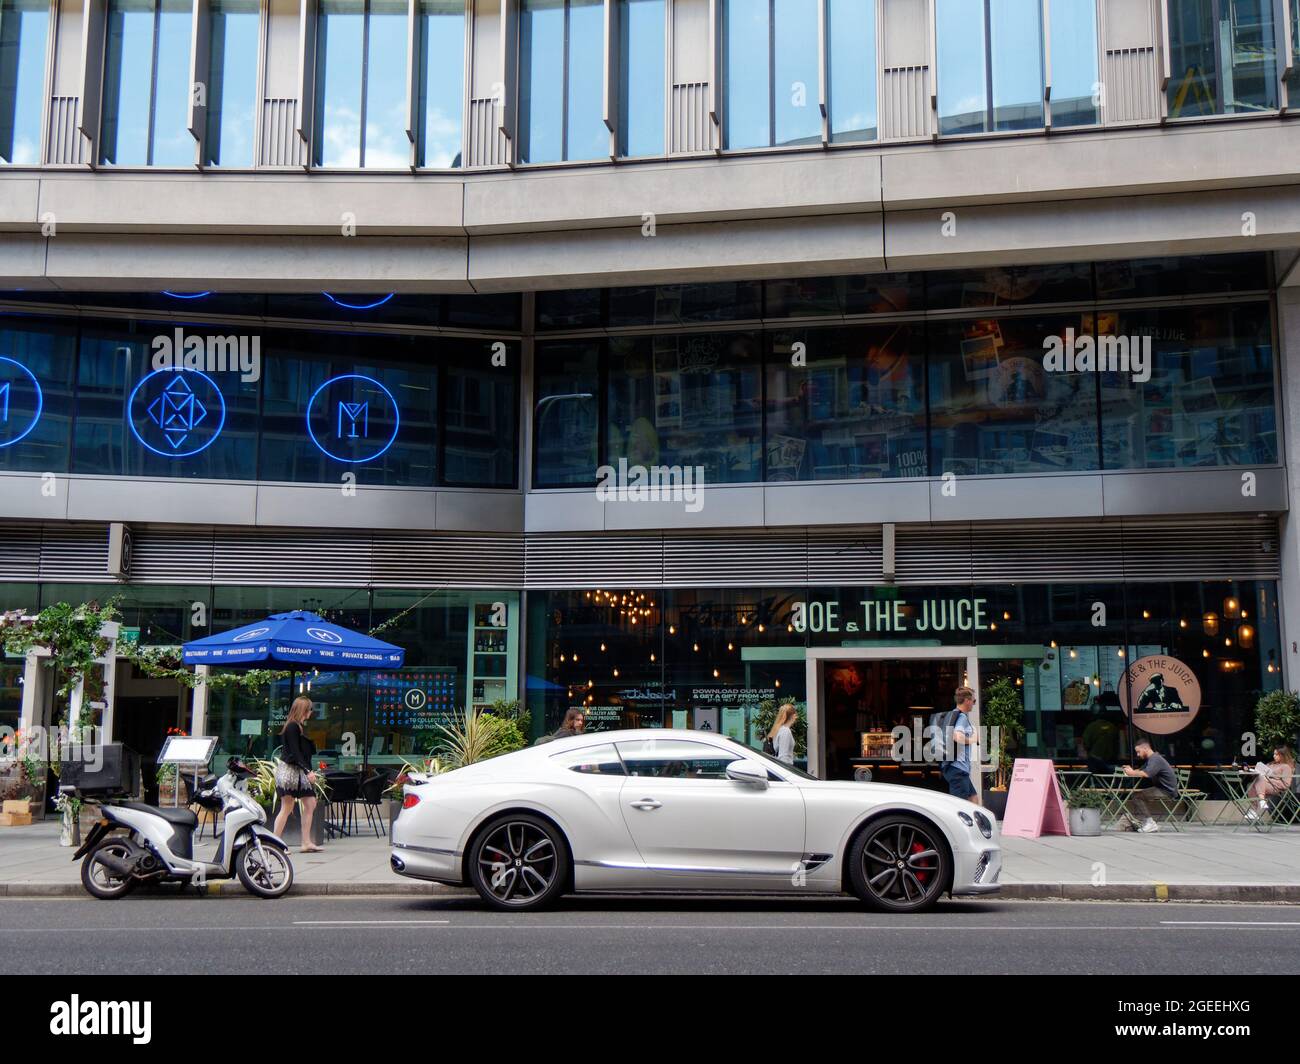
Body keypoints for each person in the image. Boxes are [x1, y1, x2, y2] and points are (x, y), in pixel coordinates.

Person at [273, 697, 322, 853]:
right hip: (290, 772)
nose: (311, 712)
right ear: (304, 710)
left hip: (297, 771)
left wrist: (306, 770)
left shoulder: (297, 726)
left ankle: (306, 842)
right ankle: (275, 843)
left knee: (310, 803)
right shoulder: (293, 727)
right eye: (310, 709)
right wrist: (308, 771)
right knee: (287, 806)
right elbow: (295, 752)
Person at [1120, 738, 1179, 833]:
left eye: (1138, 752)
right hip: (1161, 788)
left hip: (1167, 791)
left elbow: (1147, 774)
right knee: (1138, 795)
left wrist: (1131, 773)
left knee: (1137, 796)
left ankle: (1150, 823)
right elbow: (1141, 771)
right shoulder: (1152, 759)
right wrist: (1131, 771)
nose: (1138, 755)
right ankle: (1148, 821)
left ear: (1145, 748)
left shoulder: (1155, 759)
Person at [940, 687, 980, 806]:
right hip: (958, 769)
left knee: (973, 797)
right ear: (967, 700)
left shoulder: (952, 714)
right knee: (960, 806)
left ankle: (976, 824)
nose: (974, 703)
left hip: (956, 768)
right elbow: (957, 736)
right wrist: (973, 739)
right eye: (974, 701)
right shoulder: (961, 717)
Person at [1246, 746, 1295, 821]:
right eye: (1274, 754)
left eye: (1276, 754)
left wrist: (1268, 780)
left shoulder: (1286, 767)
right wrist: (1252, 771)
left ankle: (1258, 806)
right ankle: (1258, 806)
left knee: (1260, 779)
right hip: (1263, 785)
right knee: (1252, 783)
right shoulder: (1270, 764)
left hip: (1276, 788)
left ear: (1282, 755)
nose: (1274, 756)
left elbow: (1286, 784)